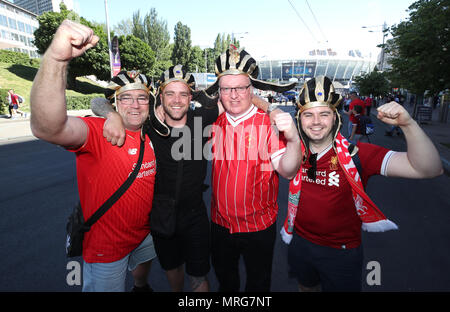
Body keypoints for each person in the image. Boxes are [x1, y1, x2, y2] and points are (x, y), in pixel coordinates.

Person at [93, 63, 287, 292]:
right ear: (160, 96)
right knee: (173, 270)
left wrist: (272, 109)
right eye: (170, 93)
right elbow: (97, 101)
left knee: (198, 276)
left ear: (190, 97)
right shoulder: (148, 124)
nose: (176, 100)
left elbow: (239, 96)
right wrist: (111, 114)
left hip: (195, 217)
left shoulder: (202, 118)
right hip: (160, 216)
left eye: (183, 94)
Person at [281, 76, 443, 292]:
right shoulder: (292, 152)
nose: (316, 121)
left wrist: (408, 124)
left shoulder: (358, 154)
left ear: (336, 116)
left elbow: (428, 168)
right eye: (309, 114)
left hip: (341, 252)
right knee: (305, 288)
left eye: (324, 114)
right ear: (300, 118)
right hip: (299, 242)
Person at [30, 20, 157, 292]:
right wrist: (56, 58)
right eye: (126, 98)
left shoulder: (150, 133)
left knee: (143, 275)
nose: (135, 104)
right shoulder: (99, 132)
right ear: (116, 103)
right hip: (106, 250)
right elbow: (48, 127)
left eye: (142, 98)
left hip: (144, 235)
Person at [208, 47, 302, 292]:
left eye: (241, 87)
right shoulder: (211, 121)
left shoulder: (267, 123)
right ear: (219, 91)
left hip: (258, 227)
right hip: (219, 225)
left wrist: (293, 140)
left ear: (251, 89)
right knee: (226, 283)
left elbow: (288, 171)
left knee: (257, 286)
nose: (234, 94)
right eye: (227, 88)